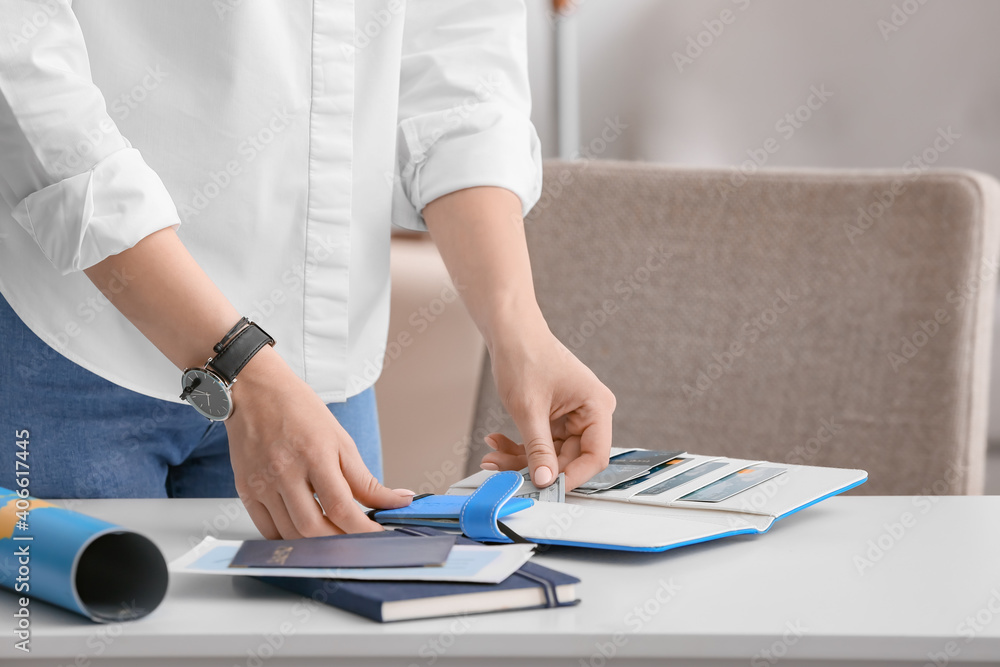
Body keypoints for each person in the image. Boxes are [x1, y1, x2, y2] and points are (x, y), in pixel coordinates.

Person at [0, 0, 616, 539]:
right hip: (74, 344)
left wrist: (519, 330)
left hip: (315, 369)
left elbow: (460, 74)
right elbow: (27, 80)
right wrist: (238, 366)